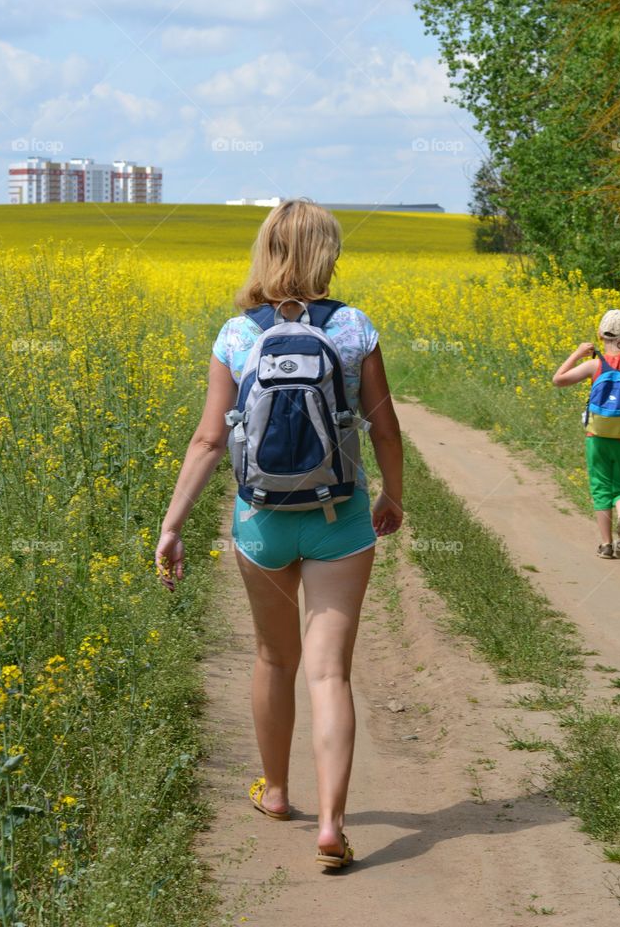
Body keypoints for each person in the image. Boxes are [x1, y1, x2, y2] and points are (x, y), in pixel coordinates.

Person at [154, 198, 404, 870]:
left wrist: (172, 525)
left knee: (273, 659)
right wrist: (393, 495)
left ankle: (276, 793)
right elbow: (383, 427)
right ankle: (330, 823)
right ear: (328, 253)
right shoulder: (353, 328)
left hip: (260, 522)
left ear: (264, 251)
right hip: (339, 518)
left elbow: (209, 439)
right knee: (328, 673)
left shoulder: (237, 335)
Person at [552, 309, 620, 558]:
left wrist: (578, 353)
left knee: (601, 488)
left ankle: (607, 545)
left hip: (597, 436)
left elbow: (558, 379)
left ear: (601, 335)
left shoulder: (595, 364)